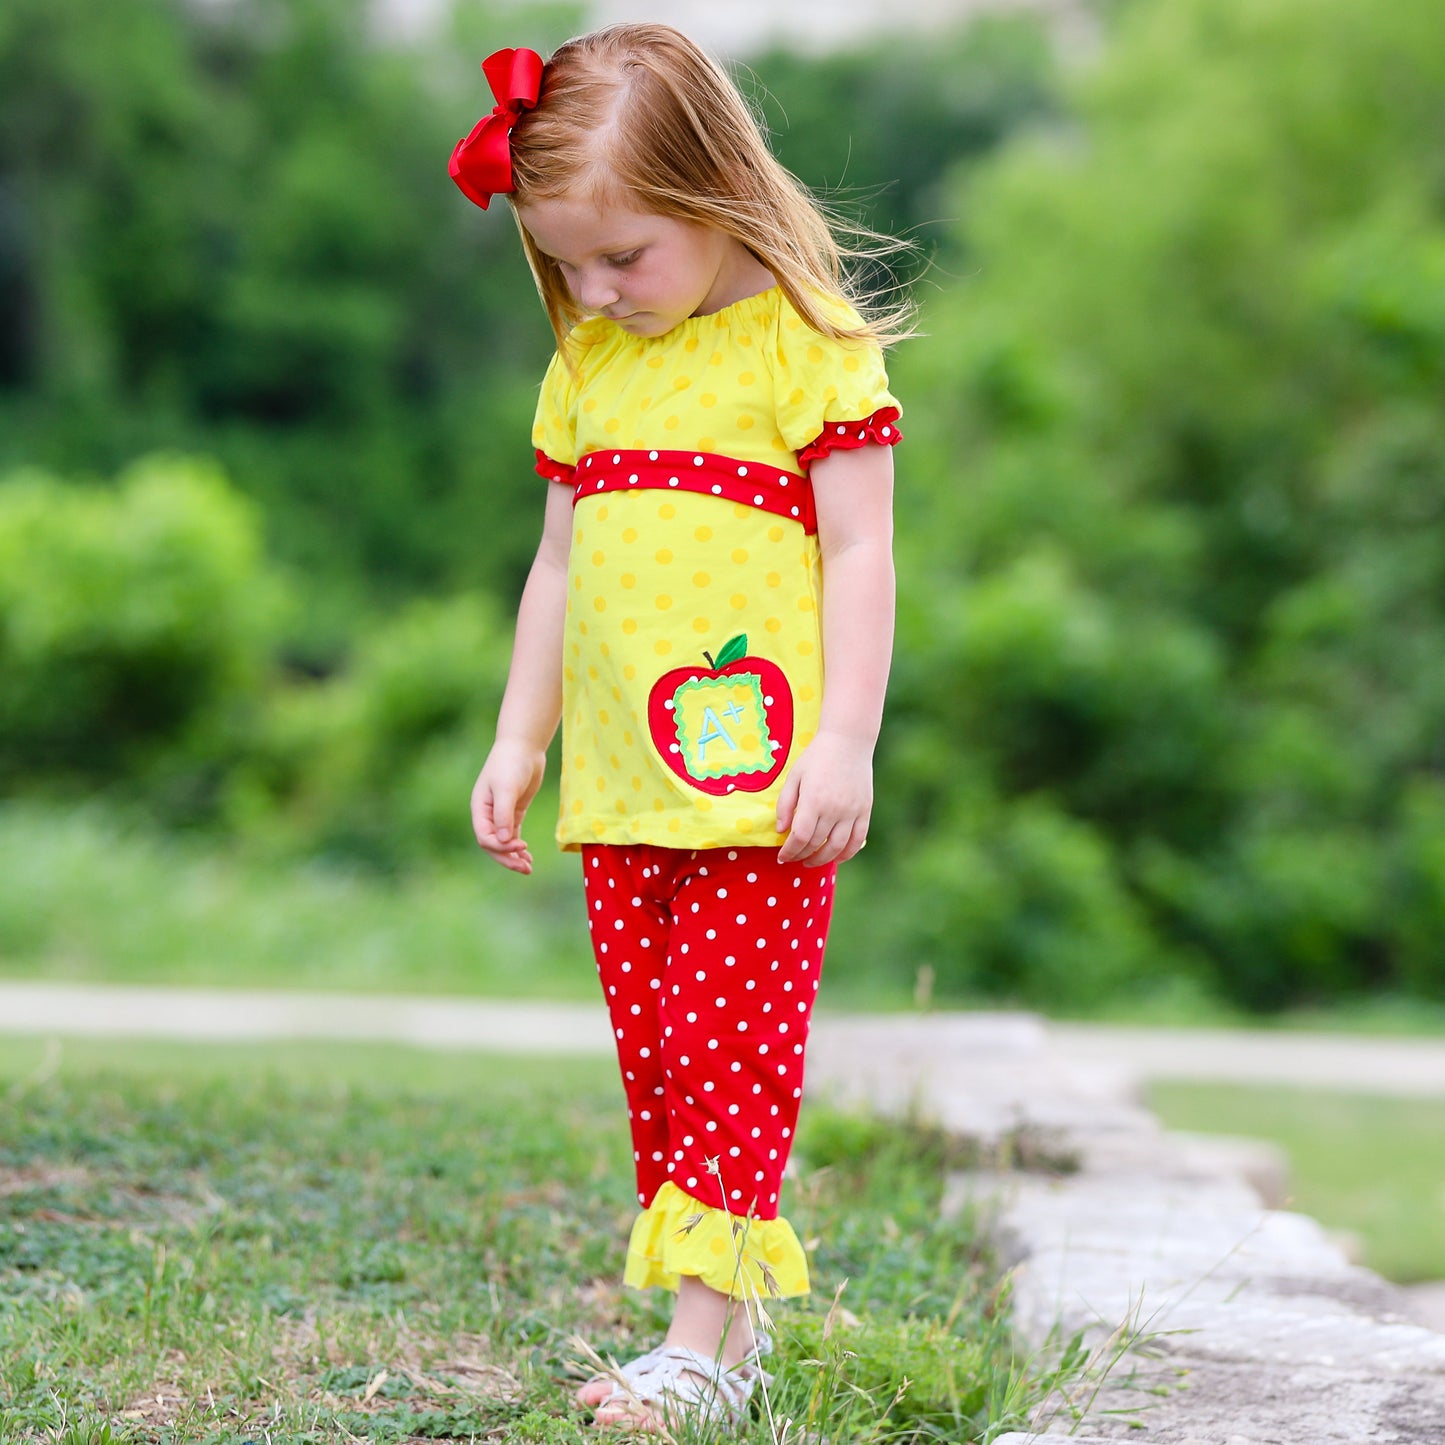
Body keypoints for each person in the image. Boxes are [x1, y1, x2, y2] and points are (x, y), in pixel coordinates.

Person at [456, 22, 907, 1433]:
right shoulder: (592, 366)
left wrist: (844, 738)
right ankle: (726, 1327)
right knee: (660, 1061)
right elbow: (556, 564)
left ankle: (701, 1353)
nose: (594, 290)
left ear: (715, 195)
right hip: (617, 791)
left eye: (624, 256)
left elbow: (858, 558)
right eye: (567, 264)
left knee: (728, 1059)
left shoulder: (805, 351)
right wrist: (518, 740)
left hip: (755, 794)